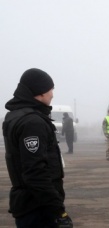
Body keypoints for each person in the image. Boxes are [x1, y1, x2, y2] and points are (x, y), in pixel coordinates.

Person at [2, 68, 73, 227]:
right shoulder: (32, 122)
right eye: (50, 89)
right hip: (37, 208)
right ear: (40, 92)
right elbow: (35, 172)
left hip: (29, 203)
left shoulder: (15, 116)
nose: (52, 94)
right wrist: (58, 210)